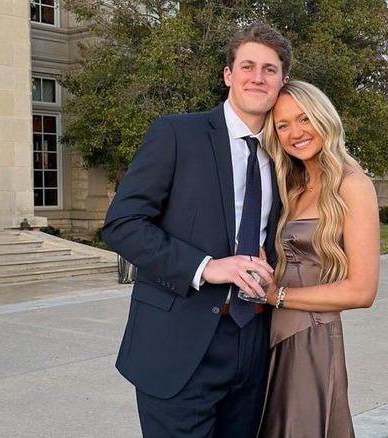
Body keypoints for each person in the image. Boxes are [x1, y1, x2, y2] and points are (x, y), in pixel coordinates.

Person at [101, 23, 292, 438]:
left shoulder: (286, 155)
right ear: (228, 75)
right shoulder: (176, 133)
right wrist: (206, 267)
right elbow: (122, 224)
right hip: (178, 344)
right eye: (247, 66)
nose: (257, 77)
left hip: (254, 342)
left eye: (269, 69)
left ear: (283, 81)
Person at [258, 80, 380, 437]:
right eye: (283, 125)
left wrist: (277, 296)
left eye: (305, 118)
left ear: (324, 118)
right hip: (272, 335)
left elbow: (362, 291)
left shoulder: (352, 185)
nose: (295, 132)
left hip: (311, 338)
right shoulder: (293, 186)